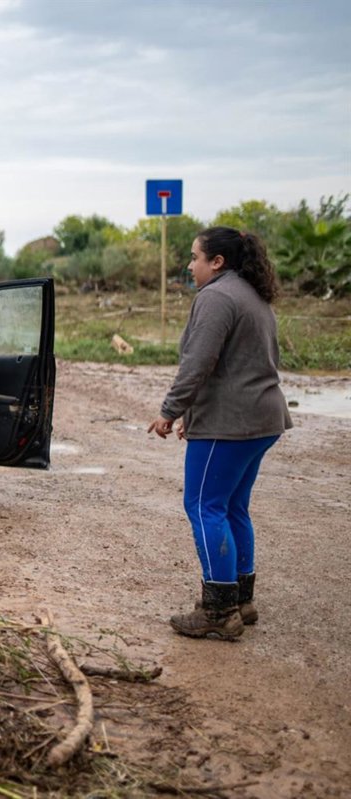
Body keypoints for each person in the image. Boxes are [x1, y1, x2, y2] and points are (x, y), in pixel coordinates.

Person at [148, 227, 292, 641]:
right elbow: (240, 364)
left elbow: (199, 363)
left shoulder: (215, 297)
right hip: (262, 418)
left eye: (195, 257)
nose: (190, 265)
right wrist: (196, 414)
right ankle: (242, 600)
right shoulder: (252, 294)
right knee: (232, 506)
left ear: (217, 262)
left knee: (203, 505)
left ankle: (219, 609)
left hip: (232, 423)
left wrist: (170, 411)